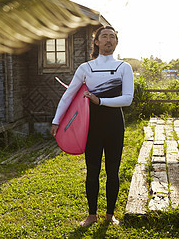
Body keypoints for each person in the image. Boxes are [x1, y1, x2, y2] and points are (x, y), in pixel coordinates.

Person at [50, 25, 134, 227]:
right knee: (93, 170)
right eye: (104, 36)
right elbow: (68, 95)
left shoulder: (124, 67)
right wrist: (56, 121)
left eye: (112, 37)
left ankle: (110, 215)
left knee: (113, 170)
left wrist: (100, 101)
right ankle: (91, 215)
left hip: (114, 125)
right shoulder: (86, 68)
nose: (108, 40)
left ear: (116, 42)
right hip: (91, 126)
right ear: (96, 42)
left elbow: (127, 99)